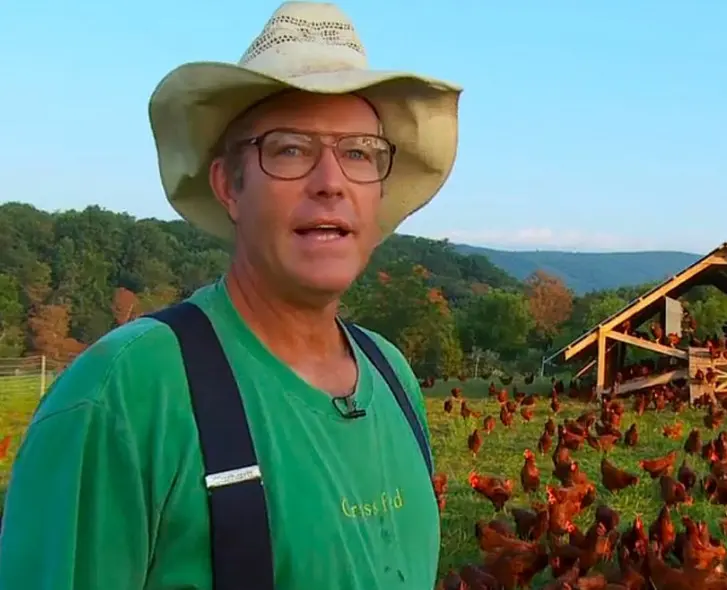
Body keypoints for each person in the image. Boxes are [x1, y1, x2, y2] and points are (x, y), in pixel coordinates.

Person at [0, 2, 461, 588]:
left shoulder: (391, 373)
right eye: (290, 148)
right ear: (228, 186)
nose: (331, 182)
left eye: (358, 152)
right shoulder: (126, 393)